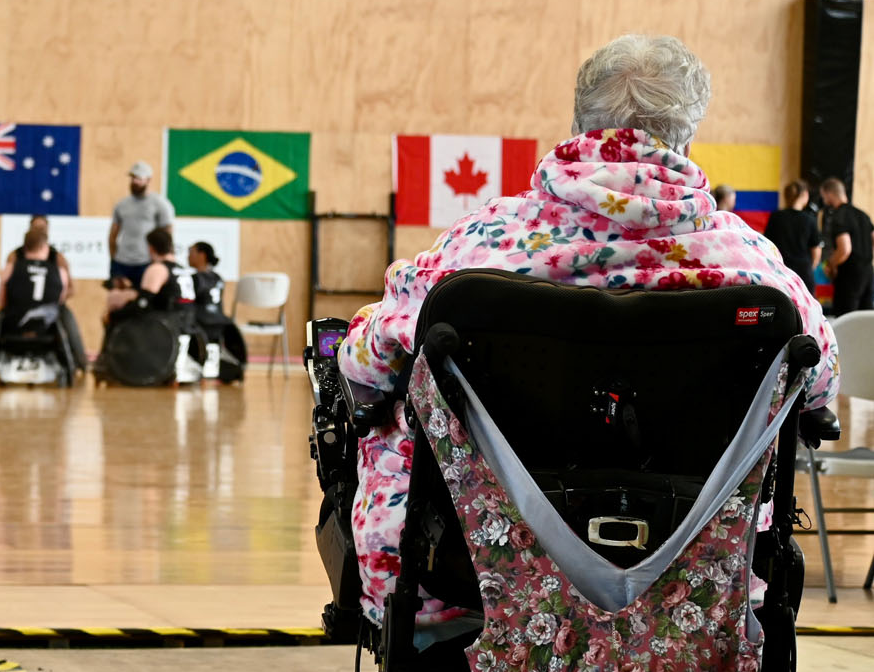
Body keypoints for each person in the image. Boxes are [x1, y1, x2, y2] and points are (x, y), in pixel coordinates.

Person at [336, 34, 839, 638]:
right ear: (688, 133)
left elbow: (368, 363)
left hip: (475, 558)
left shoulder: (481, 245)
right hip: (694, 566)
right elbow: (818, 383)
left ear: (579, 122)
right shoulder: (756, 265)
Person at [108, 161, 175, 287]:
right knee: (117, 300)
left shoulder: (160, 204)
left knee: (146, 299)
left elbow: (167, 236)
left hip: (147, 261)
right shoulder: (122, 204)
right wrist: (114, 259)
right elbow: (113, 235)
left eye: (139, 178)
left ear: (148, 180)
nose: (134, 181)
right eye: (133, 178)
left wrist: (161, 262)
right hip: (122, 262)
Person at [820, 177, 873, 316]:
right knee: (866, 321)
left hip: (849, 276)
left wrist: (830, 264)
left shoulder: (839, 216)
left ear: (829, 194)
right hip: (868, 272)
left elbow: (845, 249)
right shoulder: (863, 215)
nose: (824, 201)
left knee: (845, 320)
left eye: (824, 197)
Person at [764, 181, 822, 292]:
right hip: (803, 273)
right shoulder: (809, 219)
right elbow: (816, 251)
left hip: (780, 271)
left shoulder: (776, 217)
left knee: (783, 305)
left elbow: (767, 245)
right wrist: (811, 267)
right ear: (805, 195)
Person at [6, 214, 74, 297]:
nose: (39, 231)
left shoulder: (57, 257)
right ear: (30, 229)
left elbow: (70, 289)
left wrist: (51, 299)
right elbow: (5, 284)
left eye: (42, 228)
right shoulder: (15, 255)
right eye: (36, 228)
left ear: (47, 230)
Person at [187, 241, 226, 340]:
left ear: (202, 255)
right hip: (218, 323)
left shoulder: (195, 278)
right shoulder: (218, 278)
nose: (188, 256)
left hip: (200, 325)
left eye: (191, 252)